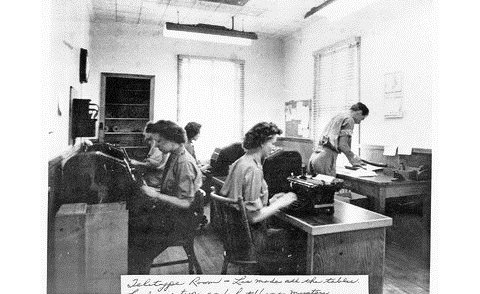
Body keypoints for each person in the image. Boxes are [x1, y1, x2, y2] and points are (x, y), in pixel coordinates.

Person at [220, 122, 299, 273]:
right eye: (272, 143)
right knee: (297, 238)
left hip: (234, 237)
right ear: (262, 142)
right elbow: (253, 217)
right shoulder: (253, 169)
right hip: (249, 243)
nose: (273, 148)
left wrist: (270, 202)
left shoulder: (241, 162)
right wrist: (281, 203)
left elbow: (243, 202)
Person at [128, 120, 203, 274]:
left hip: (181, 221)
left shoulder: (184, 162)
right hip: (172, 215)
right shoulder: (174, 155)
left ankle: (137, 284)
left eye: (159, 141)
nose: (156, 145)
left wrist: (156, 195)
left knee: (139, 249)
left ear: (173, 140)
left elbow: (186, 203)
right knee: (133, 229)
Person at [308, 102, 369, 177]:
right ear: (359, 112)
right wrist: (353, 158)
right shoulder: (349, 120)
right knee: (328, 186)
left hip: (315, 156)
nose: (359, 122)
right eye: (362, 118)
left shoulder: (339, 116)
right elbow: (342, 145)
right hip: (326, 158)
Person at [129, 122, 169, 187]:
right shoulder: (153, 143)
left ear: (151, 133)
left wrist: (137, 163)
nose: (143, 133)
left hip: (155, 179)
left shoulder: (158, 145)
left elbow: (153, 164)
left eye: (145, 131)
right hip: (153, 176)